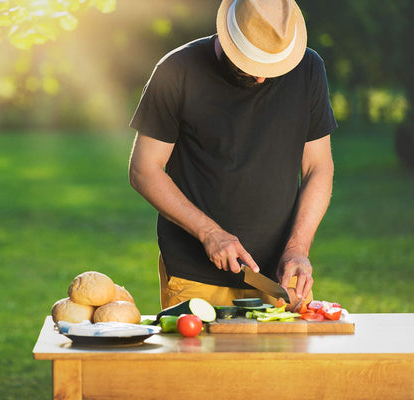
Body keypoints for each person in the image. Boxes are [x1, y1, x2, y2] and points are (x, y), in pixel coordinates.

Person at [128, 0, 336, 310]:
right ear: (228, 39)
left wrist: (297, 248)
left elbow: (318, 167)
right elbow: (144, 169)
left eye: (273, 66)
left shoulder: (308, 69)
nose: (263, 78)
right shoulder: (176, 71)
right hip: (194, 277)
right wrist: (209, 233)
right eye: (253, 64)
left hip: (278, 279)